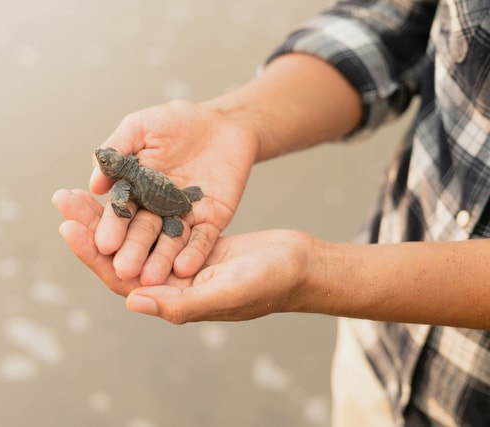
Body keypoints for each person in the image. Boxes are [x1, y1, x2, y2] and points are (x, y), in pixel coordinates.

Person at [52, 0, 490, 425]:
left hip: (469, 398)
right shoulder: (135, 171)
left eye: (107, 163)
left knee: (166, 208)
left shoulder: (129, 179)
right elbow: (393, 18)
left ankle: (177, 212)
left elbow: (124, 196)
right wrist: (233, 120)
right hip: (378, 347)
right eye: (109, 160)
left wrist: (319, 272)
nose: (105, 162)